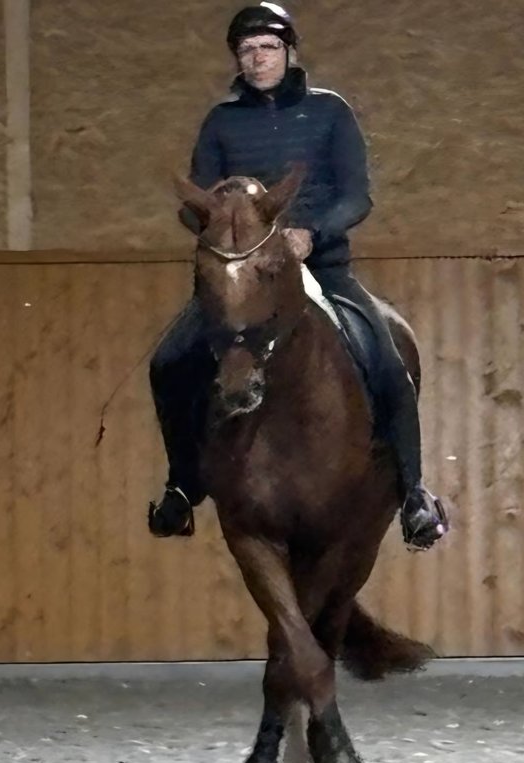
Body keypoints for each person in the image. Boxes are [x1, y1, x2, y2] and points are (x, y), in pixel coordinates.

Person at [147, 2, 448, 550]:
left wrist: (313, 232)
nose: (257, 58)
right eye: (247, 50)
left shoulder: (330, 113)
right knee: (168, 361)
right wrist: (215, 229)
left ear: (288, 53)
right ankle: (182, 486)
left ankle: (413, 494)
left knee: (387, 360)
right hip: (245, 277)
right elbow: (197, 203)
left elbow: (356, 196)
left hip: (323, 269)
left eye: (267, 48)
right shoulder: (221, 123)